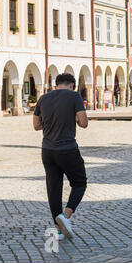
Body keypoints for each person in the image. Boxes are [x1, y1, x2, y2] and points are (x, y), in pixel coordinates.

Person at [33, 73, 89, 240]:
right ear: (71, 85)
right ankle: (65, 216)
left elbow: (36, 126)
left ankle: (58, 229)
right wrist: (74, 120)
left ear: (56, 84)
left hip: (48, 150)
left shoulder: (43, 98)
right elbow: (84, 123)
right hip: (68, 149)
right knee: (80, 183)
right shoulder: (74, 96)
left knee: (53, 189)